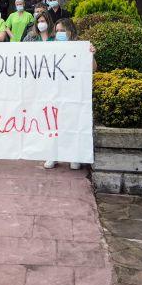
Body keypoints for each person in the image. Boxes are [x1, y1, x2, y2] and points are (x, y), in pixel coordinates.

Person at [43, 18, 98, 171]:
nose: (59, 33)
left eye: (62, 30)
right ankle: (52, 155)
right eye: (57, 31)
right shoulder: (50, 47)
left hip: (74, 92)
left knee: (73, 123)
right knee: (54, 123)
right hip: (54, 91)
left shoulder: (81, 47)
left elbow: (93, 69)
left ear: (70, 31)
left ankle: (74, 156)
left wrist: (91, 54)